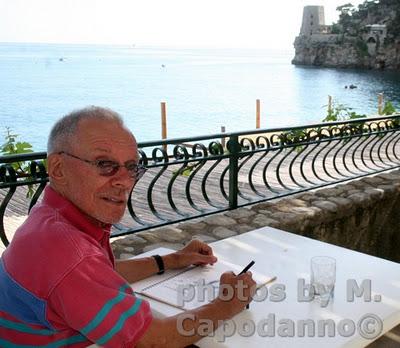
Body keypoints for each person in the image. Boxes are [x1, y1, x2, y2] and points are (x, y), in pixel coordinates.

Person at [0, 106, 256, 347]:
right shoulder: (67, 253)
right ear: (58, 168)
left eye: (131, 167)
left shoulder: (49, 217)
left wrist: (175, 259)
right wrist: (229, 303)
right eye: (104, 164)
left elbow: (99, 273)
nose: (124, 181)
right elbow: (154, 340)